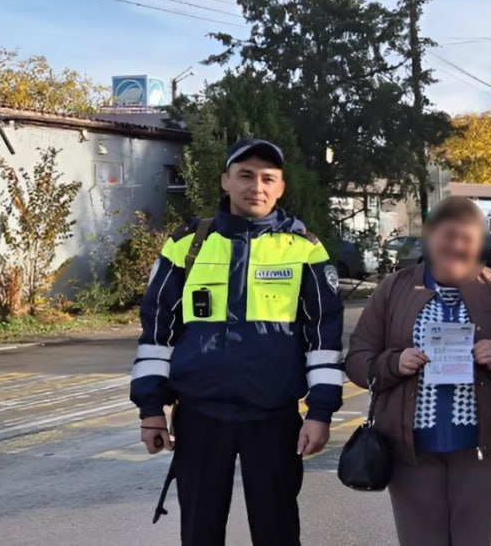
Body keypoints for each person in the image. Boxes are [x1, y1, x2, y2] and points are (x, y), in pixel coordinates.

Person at [131, 138, 344, 546]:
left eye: (268, 178)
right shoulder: (186, 244)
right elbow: (156, 332)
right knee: (200, 531)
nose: (256, 187)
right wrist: (151, 410)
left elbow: (324, 337)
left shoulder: (305, 249)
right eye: (245, 175)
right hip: (200, 416)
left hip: (273, 417)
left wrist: (320, 412)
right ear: (225, 181)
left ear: (281, 187)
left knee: (277, 530)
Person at [346, 197, 491, 546]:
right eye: (447, 236)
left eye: (467, 238)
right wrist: (393, 363)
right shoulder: (395, 288)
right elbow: (358, 358)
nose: (457, 246)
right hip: (410, 451)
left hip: (483, 450)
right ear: (429, 238)